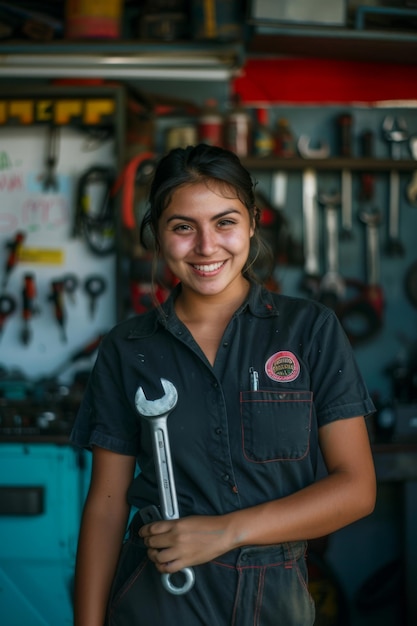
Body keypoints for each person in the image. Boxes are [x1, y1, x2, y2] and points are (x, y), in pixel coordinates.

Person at [71, 143, 376, 626]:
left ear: (253, 223)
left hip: (274, 601)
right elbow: (107, 506)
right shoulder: (127, 347)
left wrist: (226, 532)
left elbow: (357, 489)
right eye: (183, 227)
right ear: (158, 234)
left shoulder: (310, 330)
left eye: (225, 222)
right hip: (158, 598)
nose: (206, 247)